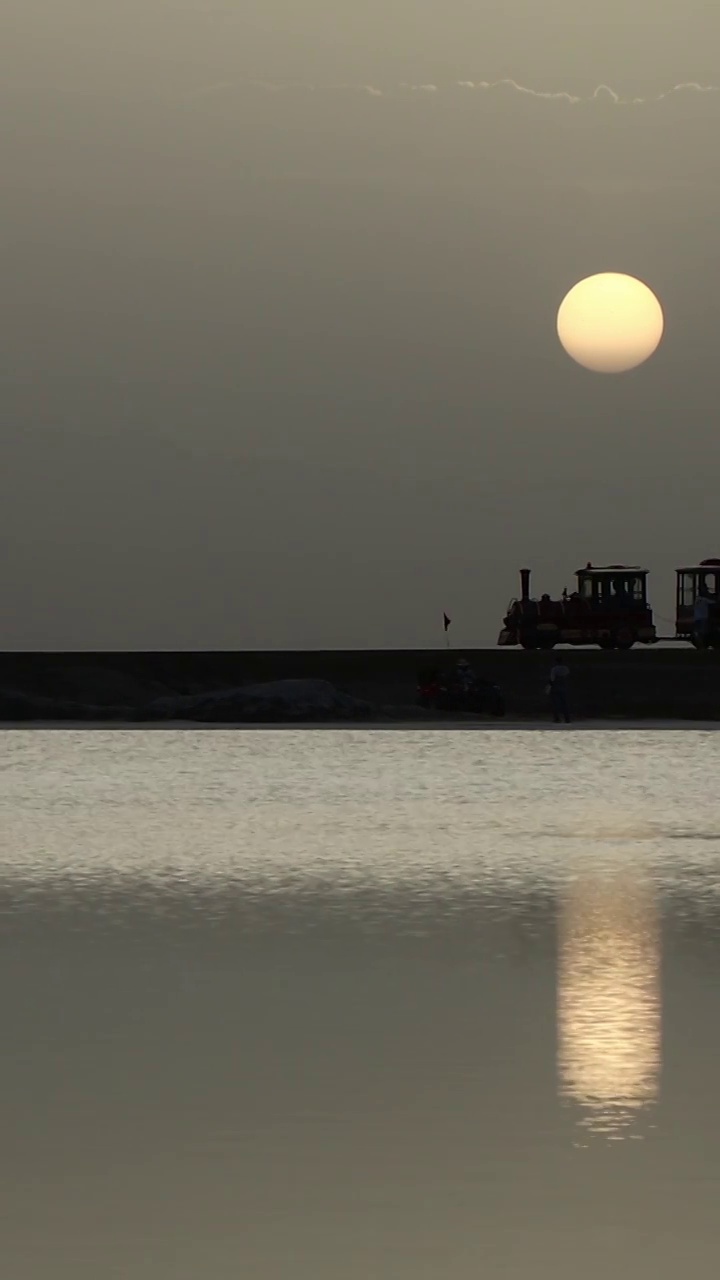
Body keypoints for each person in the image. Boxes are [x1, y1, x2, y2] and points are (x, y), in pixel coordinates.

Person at [547, 656, 571, 723]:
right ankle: (567, 718)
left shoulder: (554, 669)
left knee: (556, 704)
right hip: (564, 687)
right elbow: (567, 677)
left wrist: (549, 687)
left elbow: (552, 679)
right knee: (565, 703)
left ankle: (557, 718)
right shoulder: (566, 668)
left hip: (556, 687)